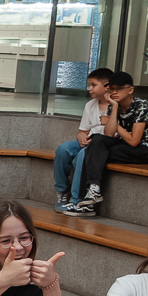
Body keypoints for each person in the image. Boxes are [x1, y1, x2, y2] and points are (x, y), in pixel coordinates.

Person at [68, 71, 148, 217]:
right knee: (96, 140)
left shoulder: (142, 107)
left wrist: (115, 124)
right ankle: (93, 190)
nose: (114, 92)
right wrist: (115, 107)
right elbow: (108, 135)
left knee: (94, 153)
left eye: (119, 89)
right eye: (112, 89)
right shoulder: (113, 105)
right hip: (123, 145)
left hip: (143, 150)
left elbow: (134, 141)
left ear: (130, 90)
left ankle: (87, 203)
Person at [52, 69, 114, 210]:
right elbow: (82, 131)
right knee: (63, 149)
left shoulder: (116, 106)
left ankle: (76, 200)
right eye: (89, 85)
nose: (89, 89)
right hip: (89, 140)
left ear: (107, 86)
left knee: (82, 155)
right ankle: (62, 191)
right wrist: (81, 137)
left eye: (93, 85)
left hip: (101, 145)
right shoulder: (90, 104)